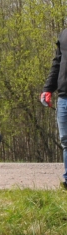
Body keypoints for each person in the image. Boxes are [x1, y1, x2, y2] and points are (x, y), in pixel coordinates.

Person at [40, 24, 67, 190]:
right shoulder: (64, 35)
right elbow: (57, 63)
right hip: (64, 97)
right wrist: (48, 89)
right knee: (65, 141)